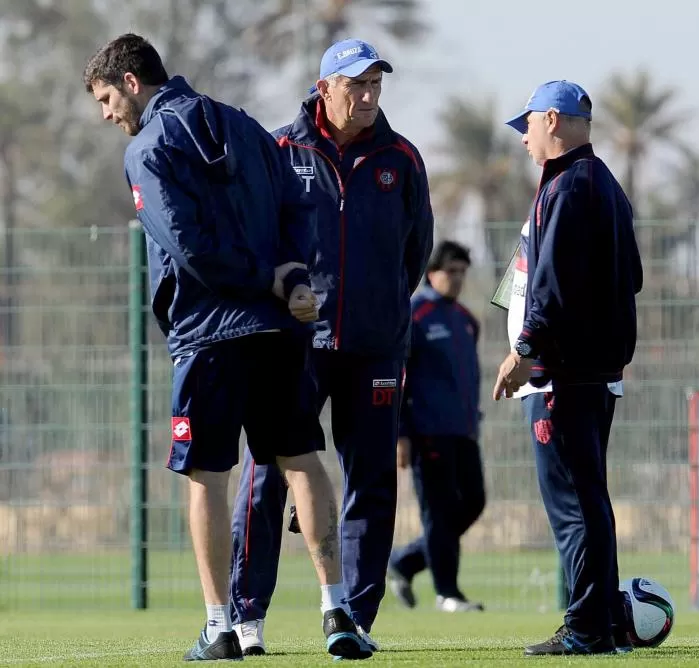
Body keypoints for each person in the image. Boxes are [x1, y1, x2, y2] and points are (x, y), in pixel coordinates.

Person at [83, 33, 371, 661]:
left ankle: (219, 626)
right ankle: (337, 608)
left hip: (209, 332)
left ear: (132, 82)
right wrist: (292, 273)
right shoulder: (241, 123)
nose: (107, 114)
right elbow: (301, 204)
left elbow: (187, 245)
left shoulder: (148, 146)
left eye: (106, 98)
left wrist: (266, 276)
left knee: (207, 475)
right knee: (300, 457)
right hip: (277, 329)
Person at [228, 38, 433, 654]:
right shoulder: (279, 150)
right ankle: (244, 618)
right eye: (356, 86)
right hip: (293, 347)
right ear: (325, 89)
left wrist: (381, 310)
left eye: (375, 86)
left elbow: (414, 253)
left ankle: (352, 620)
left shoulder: (402, 158)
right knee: (266, 477)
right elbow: (254, 240)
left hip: (374, 348)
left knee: (371, 482)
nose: (368, 97)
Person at [492, 80, 643, 656]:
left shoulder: (570, 184)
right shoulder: (601, 182)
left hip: (564, 372)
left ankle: (586, 628)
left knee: (575, 505)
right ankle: (605, 621)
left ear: (552, 120)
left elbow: (551, 283)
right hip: (593, 369)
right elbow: (630, 276)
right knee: (590, 498)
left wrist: (524, 348)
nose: (524, 137)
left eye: (527, 124)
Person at [387, 241, 486, 613]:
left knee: (474, 502)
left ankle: (407, 561)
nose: (458, 279)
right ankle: (448, 593)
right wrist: (401, 434)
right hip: (427, 432)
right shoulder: (415, 314)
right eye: (452, 271)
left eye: (463, 272)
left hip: (463, 432)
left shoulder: (466, 320)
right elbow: (400, 379)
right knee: (439, 511)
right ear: (432, 273)